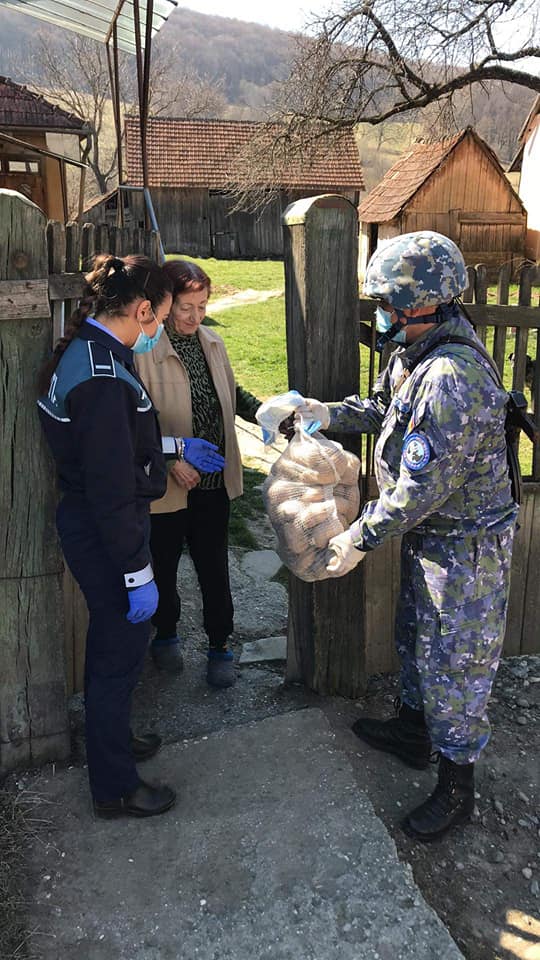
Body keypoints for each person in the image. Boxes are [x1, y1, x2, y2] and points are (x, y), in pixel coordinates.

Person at [296, 231, 518, 841]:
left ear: (421, 303)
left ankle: (457, 786)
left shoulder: (451, 375)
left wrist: (358, 539)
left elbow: (421, 490)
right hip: (432, 537)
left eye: (386, 303)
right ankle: (413, 732)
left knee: (457, 662)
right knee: (417, 638)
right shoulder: (416, 351)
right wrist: (322, 412)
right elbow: (382, 409)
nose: (380, 313)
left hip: (466, 548)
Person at [37, 254, 225, 818]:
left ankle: (113, 738)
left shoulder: (96, 352)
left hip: (98, 520)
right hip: (107, 532)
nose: (161, 329)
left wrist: (174, 446)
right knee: (116, 657)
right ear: (143, 310)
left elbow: (111, 444)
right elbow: (112, 488)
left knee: (115, 650)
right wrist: (137, 572)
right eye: (162, 318)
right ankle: (115, 787)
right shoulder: (101, 377)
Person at [134, 259, 261, 687]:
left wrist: (266, 411)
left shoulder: (212, 342)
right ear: (167, 303)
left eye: (203, 306)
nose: (195, 317)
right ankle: (166, 633)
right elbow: (137, 422)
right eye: (186, 307)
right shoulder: (145, 350)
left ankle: (219, 644)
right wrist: (172, 463)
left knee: (213, 567)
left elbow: (232, 393)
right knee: (163, 564)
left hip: (212, 482)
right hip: (167, 482)